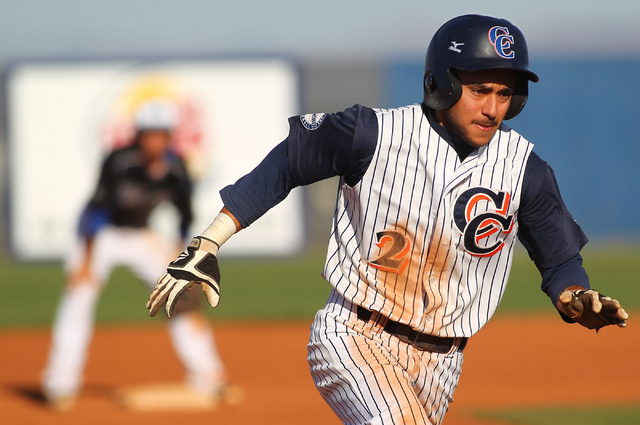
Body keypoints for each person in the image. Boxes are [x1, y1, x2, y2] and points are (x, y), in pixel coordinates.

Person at [147, 15, 629, 425]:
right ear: (442, 82)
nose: (493, 108)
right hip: (355, 336)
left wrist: (574, 297)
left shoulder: (526, 169)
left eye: (505, 94)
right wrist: (210, 240)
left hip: (443, 363)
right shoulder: (373, 133)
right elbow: (289, 162)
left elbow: (560, 259)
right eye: (481, 90)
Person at [42, 100, 232, 411]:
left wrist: (180, 255)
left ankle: (210, 377)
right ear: (138, 135)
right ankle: (59, 384)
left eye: (160, 134)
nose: (153, 140)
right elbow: (97, 211)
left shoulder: (177, 168)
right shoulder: (120, 160)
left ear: (169, 137)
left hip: (140, 233)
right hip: (98, 234)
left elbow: (184, 216)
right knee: (80, 295)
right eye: (148, 133)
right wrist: (86, 263)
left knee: (181, 292)